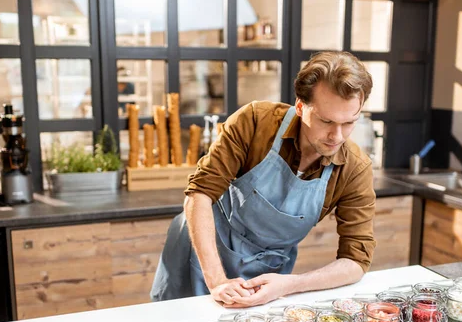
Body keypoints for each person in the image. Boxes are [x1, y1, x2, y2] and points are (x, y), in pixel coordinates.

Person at [150, 51, 376, 307]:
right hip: (200, 253)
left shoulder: (354, 169)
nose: (337, 136)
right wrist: (217, 281)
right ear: (301, 107)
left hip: (268, 272)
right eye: (326, 121)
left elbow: (356, 260)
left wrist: (290, 285)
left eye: (349, 123)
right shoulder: (256, 121)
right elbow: (199, 194)